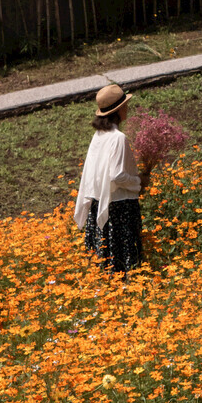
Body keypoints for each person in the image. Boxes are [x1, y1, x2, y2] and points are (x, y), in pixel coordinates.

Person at [74, 83, 151, 274]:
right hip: (119, 209)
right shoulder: (118, 138)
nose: (127, 108)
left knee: (105, 261)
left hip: (99, 203)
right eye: (125, 106)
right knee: (124, 262)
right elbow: (116, 175)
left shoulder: (99, 135)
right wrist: (138, 182)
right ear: (118, 110)